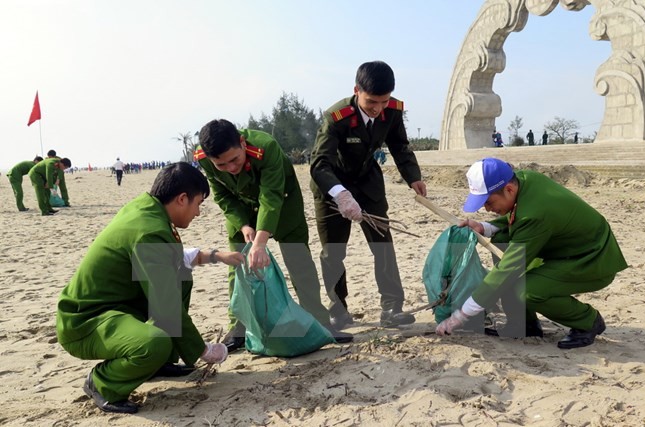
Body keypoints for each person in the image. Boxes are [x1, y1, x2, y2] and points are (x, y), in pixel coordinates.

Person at [56, 162, 242, 414]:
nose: (198, 213)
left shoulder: (146, 209)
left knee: (181, 277)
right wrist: (203, 350)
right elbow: (166, 308)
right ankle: (102, 383)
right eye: (198, 204)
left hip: (118, 306)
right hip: (86, 321)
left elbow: (172, 260)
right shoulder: (149, 231)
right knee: (153, 344)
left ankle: (159, 364)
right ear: (181, 199)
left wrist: (216, 255)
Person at [195, 119, 353, 352]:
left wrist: (260, 242)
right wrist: (244, 225)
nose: (230, 168)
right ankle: (238, 328)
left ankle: (319, 323)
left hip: (284, 204)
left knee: (300, 263)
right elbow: (222, 197)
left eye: (234, 160)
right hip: (241, 209)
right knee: (236, 266)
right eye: (221, 165)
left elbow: (271, 196)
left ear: (241, 142)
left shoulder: (265, 147)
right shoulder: (204, 158)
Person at [435, 157, 628, 349]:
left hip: (591, 259)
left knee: (527, 291)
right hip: (560, 248)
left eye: (488, 202)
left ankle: (588, 321)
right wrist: (484, 227)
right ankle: (523, 324)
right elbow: (519, 220)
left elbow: (508, 266)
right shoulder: (523, 180)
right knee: (502, 240)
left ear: (509, 189)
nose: (487, 209)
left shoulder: (535, 214)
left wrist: (460, 316)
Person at [310, 60, 427, 329]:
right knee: (333, 252)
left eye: (383, 102)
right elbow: (319, 164)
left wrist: (414, 178)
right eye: (372, 102)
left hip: (367, 183)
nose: (377, 109)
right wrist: (340, 194)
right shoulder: (335, 117)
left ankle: (391, 308)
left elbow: (400, 146)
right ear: (356, 90)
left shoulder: (393, 110)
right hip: (332, 187)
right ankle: (338, 310)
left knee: (383, 244)